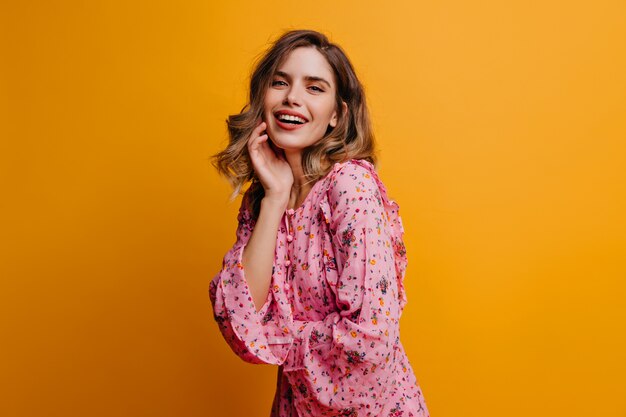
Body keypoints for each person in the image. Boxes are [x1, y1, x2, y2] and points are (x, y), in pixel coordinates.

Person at [209, 29, 430, 417]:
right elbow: (238, 321)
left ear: (337, 116)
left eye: (315, 87)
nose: (292, 97)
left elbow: (370, 338)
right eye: (280, 82)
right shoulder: (262, 202)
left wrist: (282, 342)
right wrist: (276, 196)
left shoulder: (349, 187)